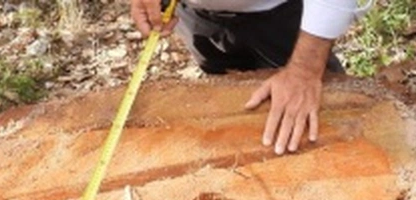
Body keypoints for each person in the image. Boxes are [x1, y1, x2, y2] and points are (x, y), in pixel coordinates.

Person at [128, 0, 365, 155]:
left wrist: (305, 71)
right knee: (235, 115)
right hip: (193, 15)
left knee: (324, 130)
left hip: (281, 16)